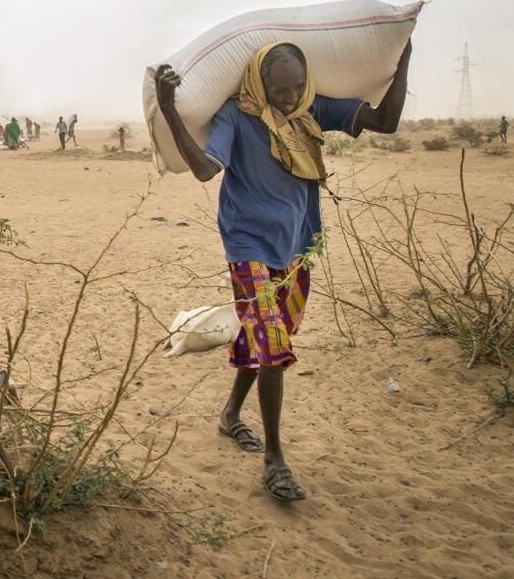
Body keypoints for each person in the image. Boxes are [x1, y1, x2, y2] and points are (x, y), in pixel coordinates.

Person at [155, 39, 412, 502]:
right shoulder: (237, 115)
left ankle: (231, 415)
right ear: (260, 81)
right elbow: (203, 171)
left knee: (268, 340)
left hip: (297, 246)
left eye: (295, 88)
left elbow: (385, 122)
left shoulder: (311, 110)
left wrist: (403, 57)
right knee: (271, 345)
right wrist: (169, 108)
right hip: (247, 243)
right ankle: (275, 460)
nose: (289, 98)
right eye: (280, 89)